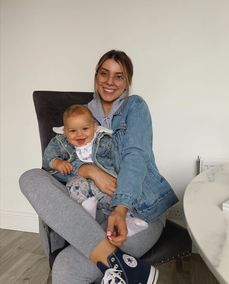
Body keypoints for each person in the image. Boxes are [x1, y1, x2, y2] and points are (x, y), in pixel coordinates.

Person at [20, 49, 178, 284]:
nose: (109, 82)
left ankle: (117, 264)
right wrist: (87, 170)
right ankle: (128, 268)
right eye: (104, 73)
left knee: (66, 269)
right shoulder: (80, 117)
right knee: (30, 177)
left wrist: (121, 208)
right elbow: (54, 167)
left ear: (127, 82)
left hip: (138, 209)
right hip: (91, 212)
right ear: (96, 76)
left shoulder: (134, 107)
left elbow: (135, 158)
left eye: (119, 76)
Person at [43, 104, 149, 236]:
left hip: (104, 186)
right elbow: (48, 157)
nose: (79, 134)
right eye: (72, 131)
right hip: (82, 185)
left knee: (118, 193)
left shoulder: (104, 140)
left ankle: (128, 221)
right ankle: (86, 213)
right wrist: (57, 162)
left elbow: (119, 159)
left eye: (85, 129)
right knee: (74, 184)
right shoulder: (60, 142)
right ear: (65, 131)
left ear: (94, 127)